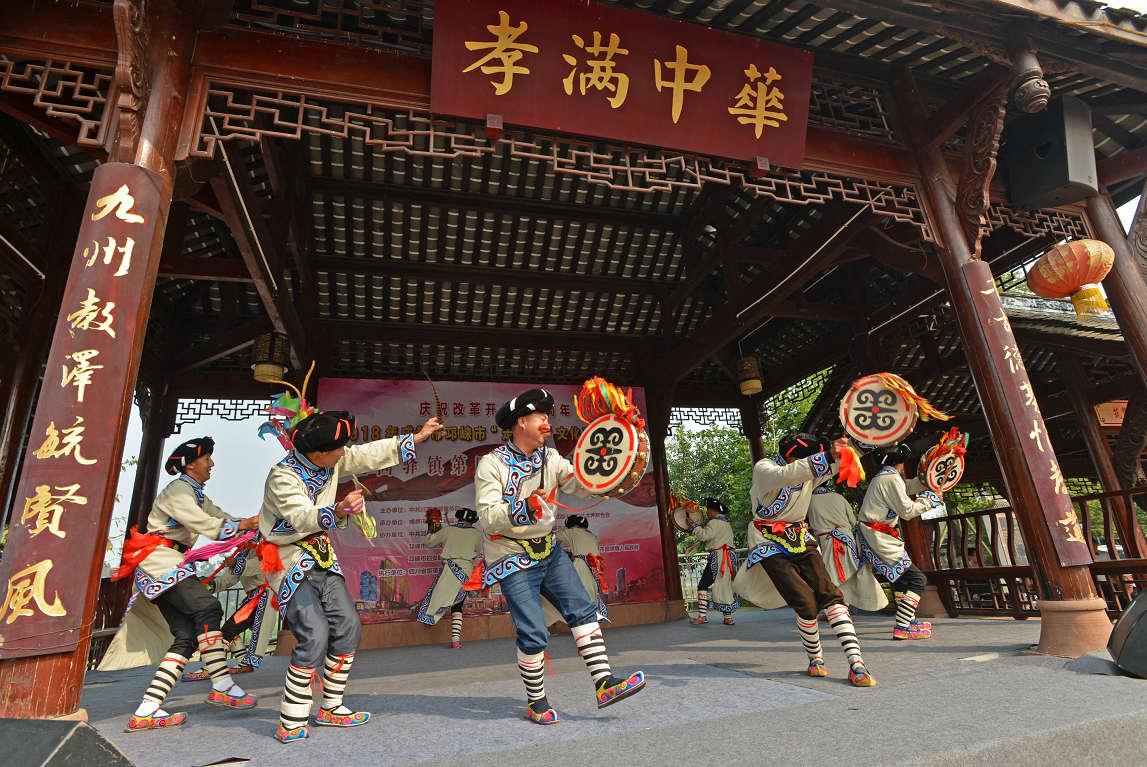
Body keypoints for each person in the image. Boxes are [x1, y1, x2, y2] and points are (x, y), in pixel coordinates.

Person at [260, 411, 442, 743]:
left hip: (321, 556)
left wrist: (417, 438)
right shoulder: (282, 477)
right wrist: (339, 509)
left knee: (348, 626)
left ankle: (331, 707)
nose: (346, 452)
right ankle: (291, 719)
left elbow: (366, 454)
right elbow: (301, 517)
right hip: (287, 559)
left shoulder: (330, 460)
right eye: (340, 448)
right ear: (317, 454)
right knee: (313, 633)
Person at [475, 388, 644, 725]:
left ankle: (604, 684)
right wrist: (525, 508)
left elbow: (581, 483)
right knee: (534, 632)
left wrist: (613, 469)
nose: (547, 424)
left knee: (583, 609)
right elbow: (489, 515)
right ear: (521, 422)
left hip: (548, 550)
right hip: (510, 555)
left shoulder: (551, 458)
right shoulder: (491, 463)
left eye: (548, 418)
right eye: (541, 417)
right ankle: (536, 702)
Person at [112, 437, 260, 732]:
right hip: (160, 560)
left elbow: (222, 518)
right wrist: (245, 526)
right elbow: (205, 524)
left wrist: (258, 524)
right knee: (208, 607)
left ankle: (147, 709)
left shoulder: (196, 493)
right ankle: (221, 683)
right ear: (191, 463)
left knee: (188, 636)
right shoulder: (178, 490)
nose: (212, 464)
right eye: (207, 459)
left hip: (168, 563)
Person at [732, 433, 877, 687]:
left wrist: (865, 435)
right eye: (810, 455)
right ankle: (816, 659)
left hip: (800, 535)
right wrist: (825, 456)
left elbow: (843, 457)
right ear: (792, 455)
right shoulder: (764, 468)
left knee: (830, 594)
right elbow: (787, 474)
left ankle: (857, 663)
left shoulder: (811, 469)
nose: (814, 459)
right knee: (806, 603)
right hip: (767, 542)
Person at [856, 438, 944, 640]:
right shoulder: (890, 479)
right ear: (901, 461)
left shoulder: (886, 476)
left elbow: (906, 488)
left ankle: (907, 620)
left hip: (879, 534)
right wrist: (931, 499)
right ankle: (903, 626)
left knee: (902, 578)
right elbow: (907, 510)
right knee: (917, 579)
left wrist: (927, 482)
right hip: (878, 535)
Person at [180, 546, 276, 681]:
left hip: (262, 598)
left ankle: (212, 668)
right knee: (231, 630)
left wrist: (239, 563)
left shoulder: (265, 547)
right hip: (253, 599)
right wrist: (207, 585)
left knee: (228, 630)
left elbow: (262, 566)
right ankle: (244, 663)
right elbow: (227, 580)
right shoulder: (243, 552)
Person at [806, 483, 888, 614]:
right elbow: (852, 520)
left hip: (826, 541)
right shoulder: (838, 497)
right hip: (846, 539)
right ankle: (843, 610)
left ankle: (837, 611)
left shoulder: (807, 501)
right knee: (852, 573)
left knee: (830, 575)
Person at [415, 507, 482, 647]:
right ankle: (455, 641)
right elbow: (476, 553)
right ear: (471, 521)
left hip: (451, 569)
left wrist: (431, 529)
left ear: (458, 519)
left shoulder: (448, 530)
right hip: (467, 572)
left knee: (437, 596)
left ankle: (430, 619)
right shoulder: (476, 533)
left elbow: (429, 542)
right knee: (458, 604)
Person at [688, 498, 739, 626]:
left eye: (708, 510)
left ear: (712, 510)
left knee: (703, 584)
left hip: (719, 557)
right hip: (728, 557)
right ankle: (728, 617)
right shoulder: (726, 523)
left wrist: (693, 526)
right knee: (725, 584)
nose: (707, 513)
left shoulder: (715, 522)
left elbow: (704, 535)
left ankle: (702, 616)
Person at [554, 514, 609, 623]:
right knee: (591, 593)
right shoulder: (592, 536)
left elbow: (554, 537)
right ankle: (593, 620)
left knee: (576, 592)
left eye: (569, 527)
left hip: (581, 565)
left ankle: (584, 622)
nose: (568, 530)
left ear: (575, 525)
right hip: (594, 567)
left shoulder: (574, 531)